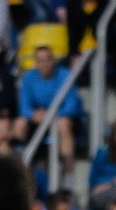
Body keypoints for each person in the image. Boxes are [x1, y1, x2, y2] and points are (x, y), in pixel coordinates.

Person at [13, 45, 84, 190]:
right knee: (20, 123)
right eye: (40, 60)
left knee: (64, 124)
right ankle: (19, 162)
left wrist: (51, 116)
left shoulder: (65, 75)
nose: (44, 64)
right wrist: (33, 115)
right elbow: (24, 107)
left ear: (53, 61)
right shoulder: (29, 77)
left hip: (60, 118)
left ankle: (68, 173)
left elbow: (72, 105)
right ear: (36, 62)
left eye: (47, 60)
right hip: (38, 120)